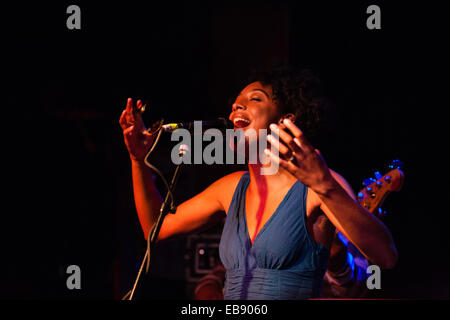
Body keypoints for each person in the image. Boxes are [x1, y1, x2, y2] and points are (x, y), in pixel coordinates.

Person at [119, 68, 398, 300]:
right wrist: (138, 161)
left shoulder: (319, 183)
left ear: (285, 120)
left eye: (255, 98)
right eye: (236, 102)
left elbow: (385, 257)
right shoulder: (229, 188)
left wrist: (324, 185)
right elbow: (154, 228)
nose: (237, 105)